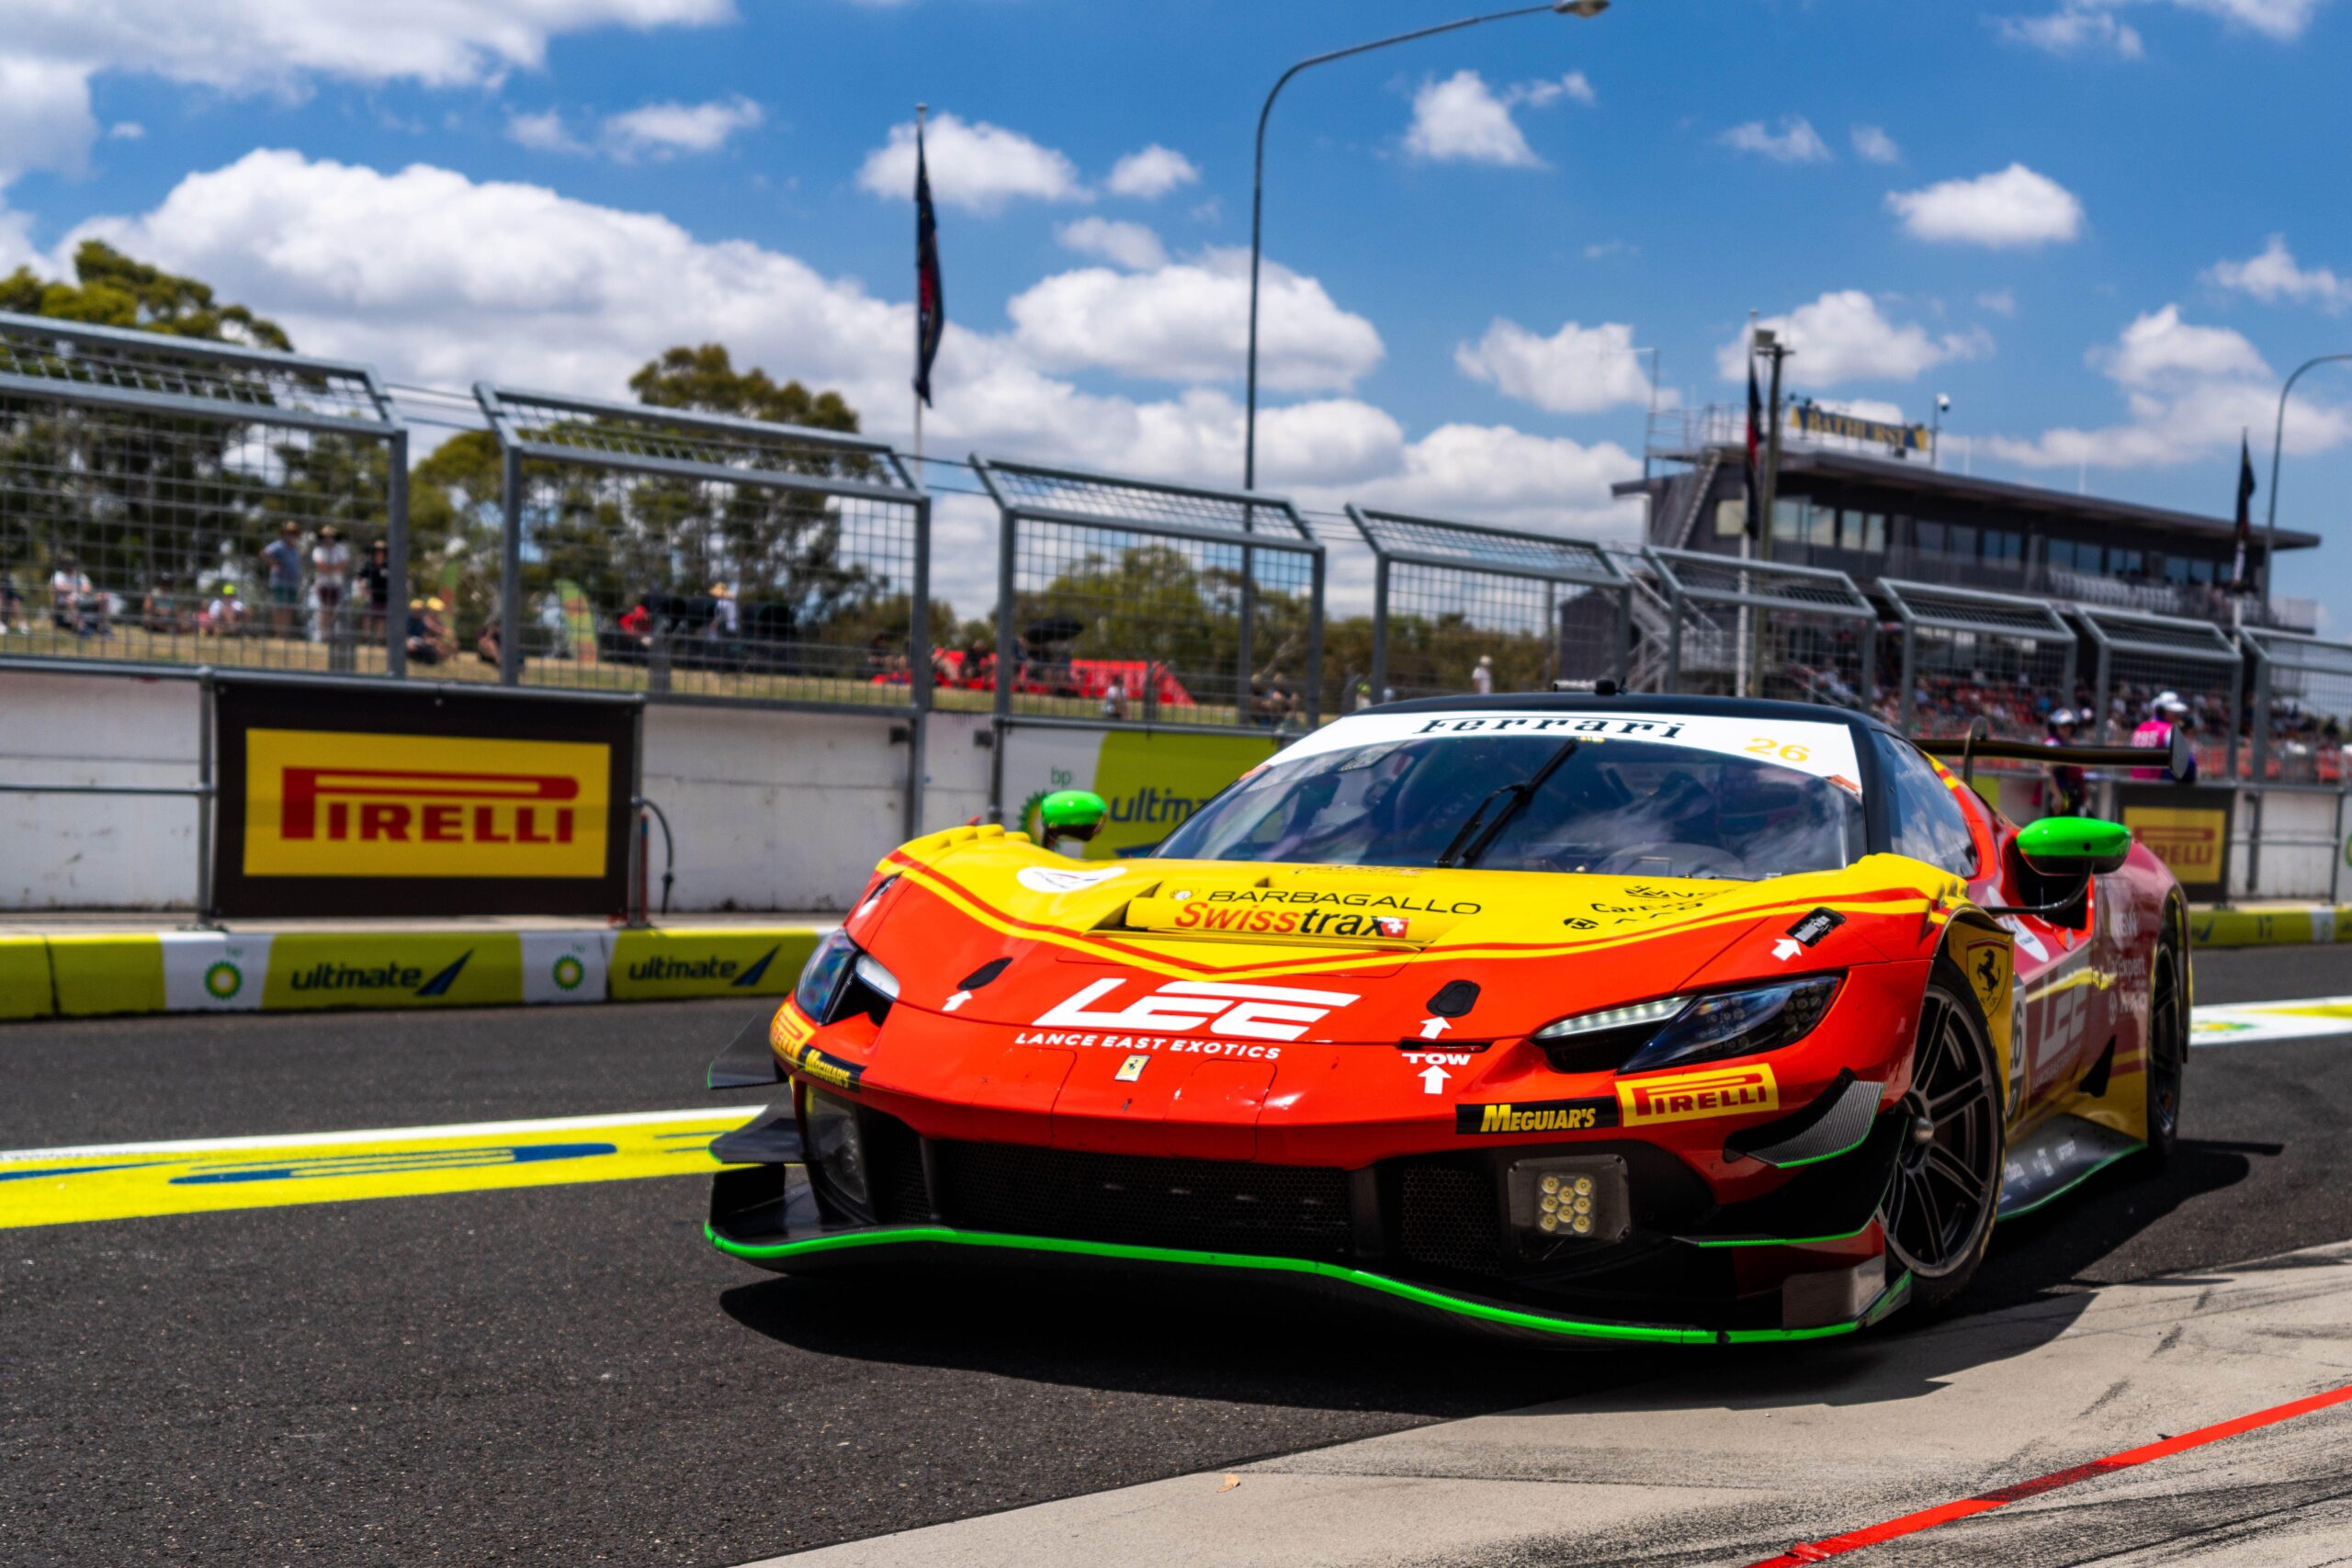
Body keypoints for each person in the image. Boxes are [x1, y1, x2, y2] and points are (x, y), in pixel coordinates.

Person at [2132, 692, 2196, 783]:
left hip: (2134, 786)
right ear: (2164, 712)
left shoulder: (2140, 728)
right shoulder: (2168, 730)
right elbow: (2189, 763)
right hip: (2158, 788)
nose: (2179, 717)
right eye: (2175, 713)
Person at [262, 521, 305, 637]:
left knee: (288, 608)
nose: (291, 535)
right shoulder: (279, 545)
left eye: (293, 533)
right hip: (280, 582)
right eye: (289, 532)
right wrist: (275, 564)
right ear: (284, 533)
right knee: (279, 607)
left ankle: (285, 633)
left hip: (292, 583)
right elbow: (264, 553)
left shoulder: (295, 548)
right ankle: (279, 633)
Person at [2042, 708, 2088, 816]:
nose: (2067, 729)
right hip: (2055, 797)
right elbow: (2046, 771)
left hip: (2066, 794)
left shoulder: (2063, 744)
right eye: (2063, 726)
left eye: (2070, 726)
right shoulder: (2052, 743)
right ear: (2055, 727)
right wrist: (2057, 795)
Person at [311, 525, 351, 642]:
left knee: (335, 612)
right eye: (326, 536)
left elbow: (344, 567)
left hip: (337, 585)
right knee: (324, 610)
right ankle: (324, 636)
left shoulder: (341, 550)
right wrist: (335, 567)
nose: (328, 539)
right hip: (322, 585)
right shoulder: (318, 550)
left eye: (331, 536)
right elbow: (320, 567)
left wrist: (328, 567)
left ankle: (332, 636)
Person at [48, 555, 103, 636]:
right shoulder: (57, 575)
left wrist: (69, 588)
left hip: (83, 601)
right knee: (69, 600)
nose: (70, 565)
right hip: (64, 603)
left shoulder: (82, 576)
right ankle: (82, 629)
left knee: (104, 596)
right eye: (67, 563)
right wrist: (79, 588)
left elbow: (88, 589)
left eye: (72, 563)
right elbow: (58, 588)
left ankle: (104, 628)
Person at [357, 538, 390, 638]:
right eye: (377, 550)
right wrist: (364, 591)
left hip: (384, 596)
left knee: (381, 619)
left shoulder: (388, 566)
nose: (379, 552)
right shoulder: (369, 565)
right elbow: (359, 578)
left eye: (381, 550)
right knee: (367, 616)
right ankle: (365, 639)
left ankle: (379, 640)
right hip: (371, 596)